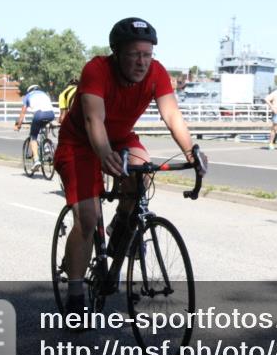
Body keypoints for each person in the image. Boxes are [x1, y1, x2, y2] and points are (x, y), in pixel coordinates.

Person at [54, 17, 198, 316]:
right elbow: (94, 119)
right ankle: (77, 290)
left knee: (142, 168)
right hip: (80, 143)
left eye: (147, 55)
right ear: (117, 53)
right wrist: (103, 152)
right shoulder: (96, 69)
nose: (142, 62)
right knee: (88, 216)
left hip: (119, 138)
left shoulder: (156, 73)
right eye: (134, 55)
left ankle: (122, 225)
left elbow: (172, 115)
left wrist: (191, 151)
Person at [14, 84, 56, 172]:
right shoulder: (44, 94)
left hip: (39, 115)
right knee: (43, 125)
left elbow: (23, 113)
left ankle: (36, 160)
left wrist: (19, 125)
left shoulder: (27, 96)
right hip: (51, 114)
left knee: (33, 137)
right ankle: (46, 146)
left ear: (29, 91)